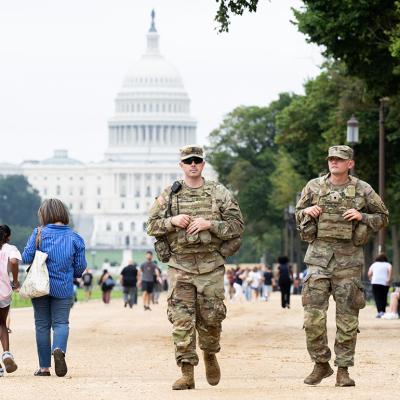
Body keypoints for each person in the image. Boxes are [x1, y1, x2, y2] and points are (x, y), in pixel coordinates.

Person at [147, 145, 244, 390]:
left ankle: (210, 353)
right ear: (181, 165)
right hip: (181, 266)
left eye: (197, 161)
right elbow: (151, 226)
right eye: (188, 161)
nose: (193, 165)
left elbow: (236, 226)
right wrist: (172, 221)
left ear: (202, 164)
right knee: (181, 320)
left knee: (211, 319)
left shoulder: (218, 192)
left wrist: (209, 224)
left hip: (210, 265)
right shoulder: (169, 194)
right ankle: (187, 371)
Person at [296, 145, 389, 387]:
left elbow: (383, 217)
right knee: (313, 318)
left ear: (350, 163)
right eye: (331, 159)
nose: (334, 162)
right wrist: (306, 211)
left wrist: (363, 217)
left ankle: (343, 370)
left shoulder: (363, 189)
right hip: (318, 260)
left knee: (347, 320)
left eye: (340, 159)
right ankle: (320, 364)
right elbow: (297, 214)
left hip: (349, 263)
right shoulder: (313, 186)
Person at [22, 198, 87, 377]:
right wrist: (69, 273)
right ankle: (58, 348)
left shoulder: (38, 233)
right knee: (61, 323)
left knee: (42, 325)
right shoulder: (75, 237)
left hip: (39, 285)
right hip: (64, 287)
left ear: (44, 214)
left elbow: (26, 257)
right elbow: (81, 267)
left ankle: (44, 368)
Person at [0, 225, 20, 376]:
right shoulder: (10, 248)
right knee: (2, 323)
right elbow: (13, 262)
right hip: (3, 291)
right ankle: (6, 353)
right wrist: (15, 280)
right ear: (8, 236)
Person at [368, 253, 392, 318]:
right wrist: (388, 280)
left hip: (375, 282)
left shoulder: (374, 264)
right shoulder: (388, 265)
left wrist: (371, 279)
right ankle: (383, 312)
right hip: (385, 283)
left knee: (377, 298)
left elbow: (369, 273)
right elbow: (390, 273)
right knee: (384, 297)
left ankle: (379, 312)